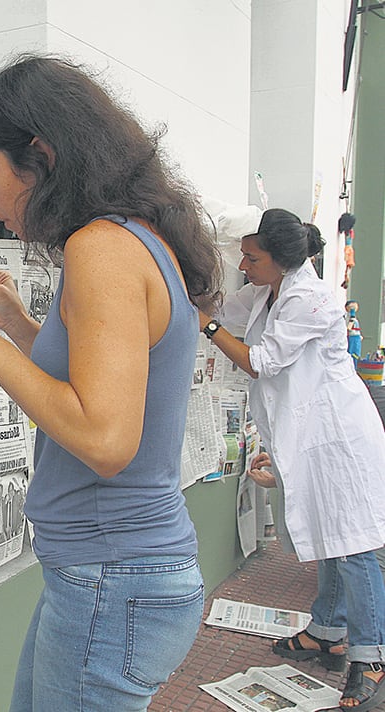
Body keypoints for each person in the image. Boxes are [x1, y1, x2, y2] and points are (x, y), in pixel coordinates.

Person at [0, 53, 223, 711]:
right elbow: (92, 386)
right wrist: (13, 325)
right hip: (110, 578)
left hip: (114, 579)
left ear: (40, 155)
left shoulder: (104, 249)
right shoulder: (129, 238)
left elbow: (104, 437)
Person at [199, 207, 385, 712]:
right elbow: (224, 307)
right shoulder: (267, 290)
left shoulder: (311, 297)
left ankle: (370, 657)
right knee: (331, 536)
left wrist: (207, 324)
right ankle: (327, 631)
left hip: (340, 439)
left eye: (252, 257)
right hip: (311, 437)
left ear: (281, 261)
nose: (244, 262)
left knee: (354, 545)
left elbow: (262, 362)